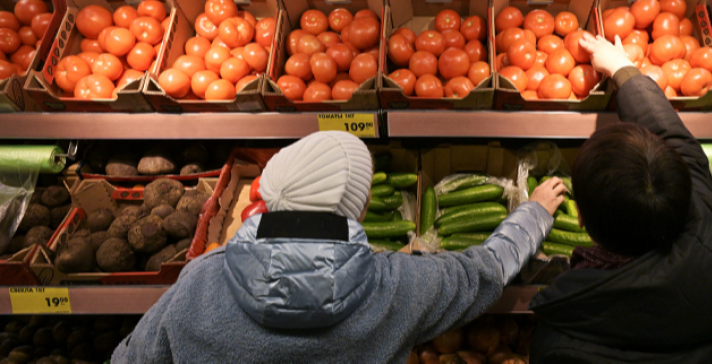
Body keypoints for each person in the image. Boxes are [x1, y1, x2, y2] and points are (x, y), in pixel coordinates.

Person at [112, 132, 566, 363]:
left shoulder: (201, 280)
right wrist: (536, 212)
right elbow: (482, 271)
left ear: (266, 198)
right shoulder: (395, 288)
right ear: (362, 207)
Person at [528, 34, 712, 362]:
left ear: (582, 220)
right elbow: (676, 138)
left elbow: (678, 145)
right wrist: (623, 68)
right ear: (683, 191)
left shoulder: (562, 337)